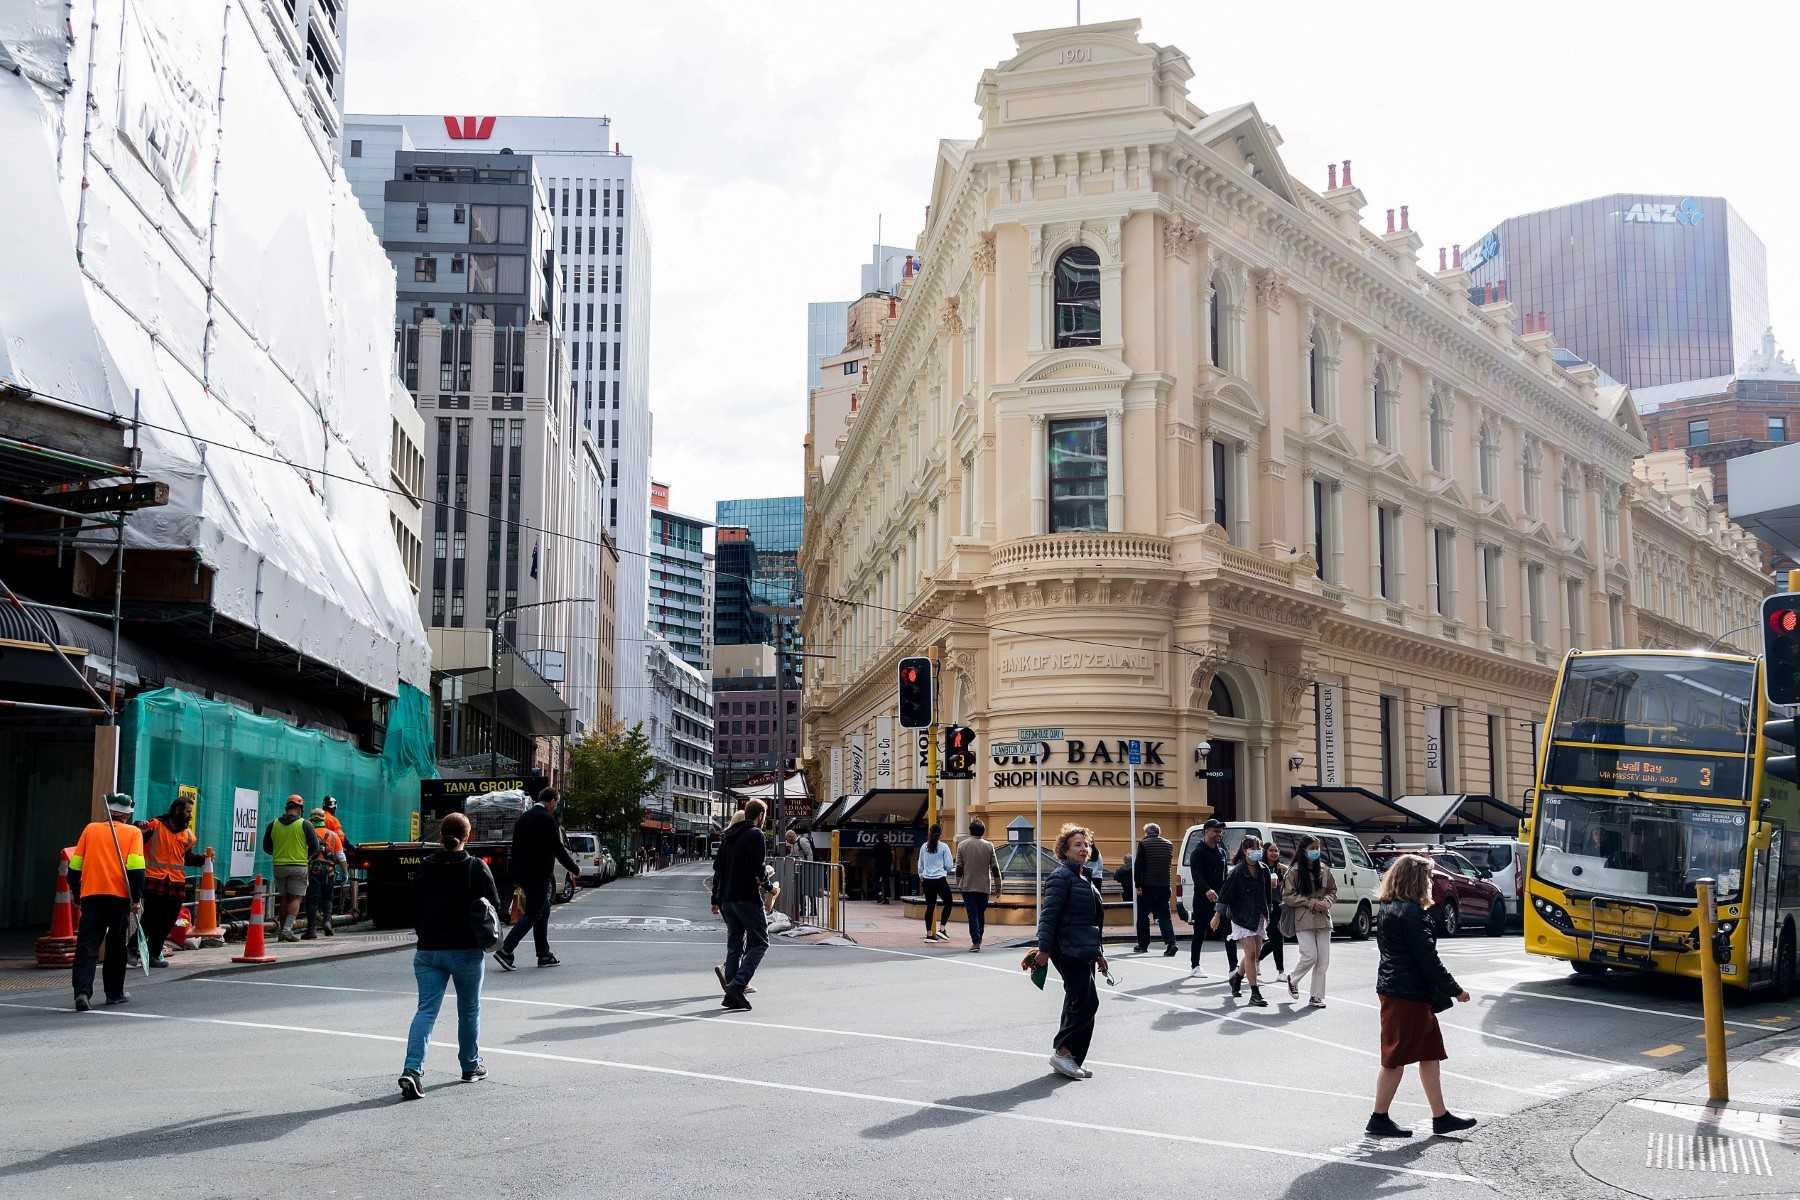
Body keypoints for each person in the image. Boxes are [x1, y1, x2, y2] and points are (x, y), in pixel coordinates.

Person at [1367, 853, 1477, 1138]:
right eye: (1428, 876)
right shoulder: (1413, 913)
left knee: (1429, 1053)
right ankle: (1379, 1118)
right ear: (1416, 880)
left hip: (1399, 988)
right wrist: (1456, 989)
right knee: (1395, 1058)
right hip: (1407, 993)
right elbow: (1428, 959)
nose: (1431, 881)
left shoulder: (1389, 907)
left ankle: (1440, 1116)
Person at [398, 811, 500, 1099]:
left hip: (428, 950)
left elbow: (412, 904)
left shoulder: (424, 867)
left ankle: (412, 1070)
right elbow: (494, 905)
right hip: (466, 949)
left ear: (440, 836)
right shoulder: (475, 867)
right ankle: (470, 1066)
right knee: (468, 1010)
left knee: (426, 1011)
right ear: (468, 836)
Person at [1032, 824, 1109, 1080]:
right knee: (1086, 1001)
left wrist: (1099, 953)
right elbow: (1048, 916)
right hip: (1066, 949)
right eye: (1077, 844)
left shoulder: (1084, 878)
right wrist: (1043, 950)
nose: (1084, 849)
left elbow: (1092, 922)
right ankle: (1063, 1052)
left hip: (1084, 949)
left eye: (1086, 844)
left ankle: (1071, 1057)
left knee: (1078, 1001)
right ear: (1064, 850)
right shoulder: (1060, 877)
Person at [69, 793, 146, 1011]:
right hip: (120, 898)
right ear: (128, 814)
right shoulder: (133, 833)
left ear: (109, 812)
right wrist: (137, 898)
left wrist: (76, 893)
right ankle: (114, 993)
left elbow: (75, 867)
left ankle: (82, 992)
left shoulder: (90, 829)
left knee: (87, 945)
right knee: (116, 946)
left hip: (91, 895)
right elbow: (136, 870)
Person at [494, 787, 580, 971]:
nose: (556, 806)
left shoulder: (523, 818)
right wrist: (574, 868)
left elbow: (515, 848)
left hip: (524, 875)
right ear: (551, 801)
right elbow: (558, 848)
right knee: (533, 913)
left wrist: (516, 876)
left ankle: (544, 954)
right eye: (556, 802)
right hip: (539, 875)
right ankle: (506, 950)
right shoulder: (548, 820)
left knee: (544, 910)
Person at [711, 799, 770, 1010]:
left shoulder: (728, 837)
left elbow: (718, 868)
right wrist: (769, 886)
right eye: (765, 816)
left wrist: (715, 898)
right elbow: (759, 867)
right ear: (760, 815)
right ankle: (737, 986)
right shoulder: (755, 834)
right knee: (760, 942)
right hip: (746, 896)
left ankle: (731, 988)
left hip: (727, 898)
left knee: (735, 941)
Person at [138, 793, 205, 967]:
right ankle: (137, 948)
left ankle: (152, 952)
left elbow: (186, 858)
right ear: (177, 810)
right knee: (152, 917)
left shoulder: (188, 835)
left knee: (168, 919)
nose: (190, 815)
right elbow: (137, 837)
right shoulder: (155, 825)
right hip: (154, 878)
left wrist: (202, 859)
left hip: (175, 881)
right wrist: (139, 826)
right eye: (188, 812)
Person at [1282, 834, 1338, 1008]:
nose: (1316, 851)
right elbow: (1288, 896)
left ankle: (1316, 996)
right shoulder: (1295, 871)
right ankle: (1293, 978)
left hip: (1323, 918)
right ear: (1303, 850)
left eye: (1317, 848)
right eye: (1312, 848)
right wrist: (1311, 902)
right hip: (1303, 918)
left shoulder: (1324, 869)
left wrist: (1327, 902)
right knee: (1310, 956)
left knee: (1323, 960)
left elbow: (1333, 890)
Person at [1215, 834, 1270, 1005]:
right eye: (1253, 848)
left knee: (1256, 954)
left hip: (1258, 915)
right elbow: (1225, 894)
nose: (1257, 851)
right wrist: (1217, 915)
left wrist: (1269, 913)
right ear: (1245, 850)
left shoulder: (1264, 870)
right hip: (1241, 916)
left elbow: (1267, 895)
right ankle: (1255, 993)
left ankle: (1237, 978)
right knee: (1251, 954)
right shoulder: (1237, 871)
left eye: (1259, 848)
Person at [263, 795, 318, 942]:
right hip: (298, 865)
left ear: (287, 807)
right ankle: (287, 930)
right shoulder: (305, 824)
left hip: (279, 866)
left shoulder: (273, 824)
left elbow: (266, 847)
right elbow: (315, 847)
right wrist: (307, 857)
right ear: (300, 808)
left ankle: (282, 930)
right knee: (296, 898)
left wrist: (279, 853)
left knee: (284, 898)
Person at [1187, 819, 1237, 979]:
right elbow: (1197, 875)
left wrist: (1226, 894)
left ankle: (1233, 969)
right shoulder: (1197, 852)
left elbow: (1224, 876)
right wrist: (1207, 890)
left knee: (1228, 933)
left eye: (1220, 832)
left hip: (1220, 900)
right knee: (1199, 932)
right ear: (1206, 831)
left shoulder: (1221, 852)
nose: (1219, 834)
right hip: (1202, 899)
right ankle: (1195, 966)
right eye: (1216, 831)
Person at [1250, 840, 1293, 997]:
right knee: (1266, 936)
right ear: (1265, 853)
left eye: (1276, 851)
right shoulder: (1260, 868)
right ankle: (1255, 962)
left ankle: (1278, 969)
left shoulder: (1282, 869)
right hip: (1264, 906)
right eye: (1271, 851)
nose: (1274, 853)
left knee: (1277, 935)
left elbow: (1290, 885)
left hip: (1278, 905)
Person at [955, 819, 1002, 952]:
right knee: (980, 913)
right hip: (984, 887)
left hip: (968, 886)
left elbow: (959, 867)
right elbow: (995, 868)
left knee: (972, 914)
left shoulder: (962, 846)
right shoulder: (989, 846)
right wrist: (999, 887)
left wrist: (958, 883)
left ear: (970, 831)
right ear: (983, 831)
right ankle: (978, 938)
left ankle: (976, 941)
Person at [1132, 822, 1177, 956]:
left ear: (1147, 833)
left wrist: (1138, 885)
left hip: (1147, 886)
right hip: (1164, 885)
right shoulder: (1169, 844)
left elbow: (1139, 866)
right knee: (1164, 916)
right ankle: (1171, 943)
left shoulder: (1144, 844)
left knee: (1143, 916)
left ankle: (1143, 944)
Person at [303, 809, 345, 939]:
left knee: (312, 899)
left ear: (311, 820)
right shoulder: (333, 835)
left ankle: (311, 930)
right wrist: (345, 872)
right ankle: (327, 921)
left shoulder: (307, 834)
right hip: (330, 871)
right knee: (328, 898)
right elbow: (341, 857)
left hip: (313, 869)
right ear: (323, 820)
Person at [917, 823, 956, 942]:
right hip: (939, 879)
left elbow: (920, 865)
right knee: (948, 902)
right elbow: (949, 866)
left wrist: (922, 877)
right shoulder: (944, 847)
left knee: (930, 906)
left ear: (929, 833)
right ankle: (942, 928)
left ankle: (929, 934)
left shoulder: (924, 847)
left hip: (927, 880)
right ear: (940, 834)